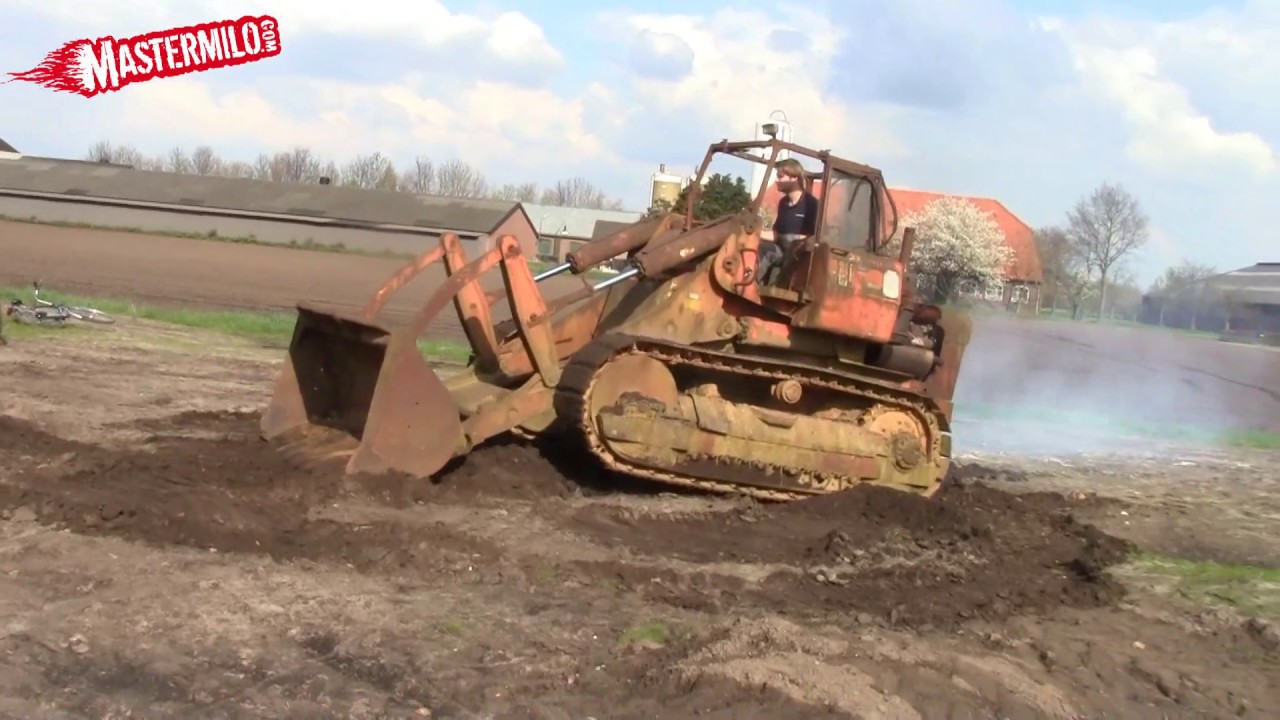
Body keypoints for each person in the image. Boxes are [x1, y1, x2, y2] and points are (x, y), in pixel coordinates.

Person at [759, 158, 818, 286]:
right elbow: (776, 234)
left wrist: (792, 240)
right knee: (759, 247)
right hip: (781, 251)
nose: (777, 180)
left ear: (794, 178)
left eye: (781, 176)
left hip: (799, 256)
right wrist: (755, 233)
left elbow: (814, 237)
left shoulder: (810, 204)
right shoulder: (783, 203)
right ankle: (749, 285)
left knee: (768, 252)